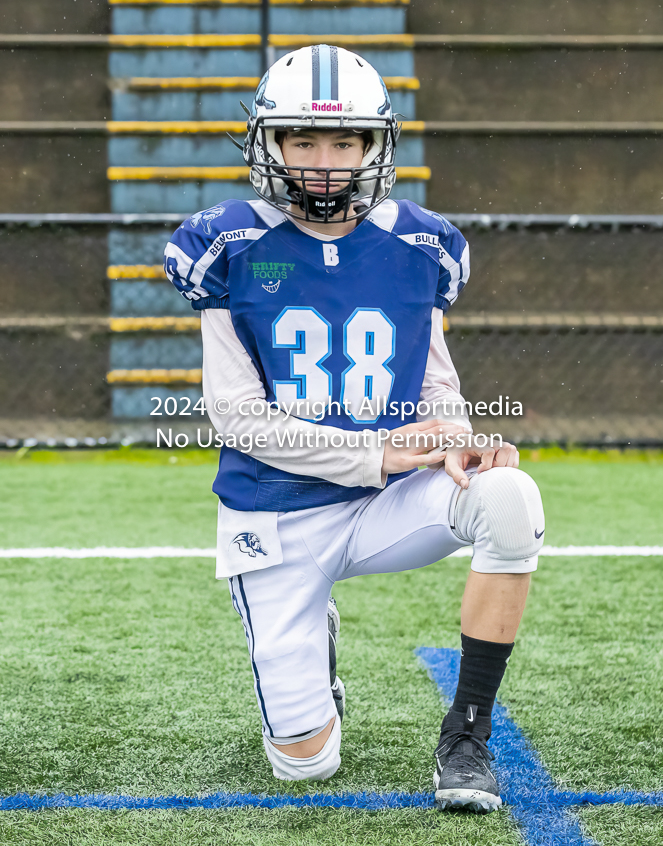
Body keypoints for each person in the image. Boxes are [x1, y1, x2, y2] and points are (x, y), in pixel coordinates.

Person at [163, 44, 545, 812]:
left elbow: (434, 377)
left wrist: (453, 435)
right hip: (276, 510)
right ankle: (315, 648)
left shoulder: (421, 243)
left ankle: (466, 738)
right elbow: (238, 418)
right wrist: (374, 450)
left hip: (387, 502)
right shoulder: (228, 243)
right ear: (267, 143)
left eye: (345, 142)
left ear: (377, 146)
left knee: (508, 496)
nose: (325, 163)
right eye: (303, 141)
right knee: (305, 765)